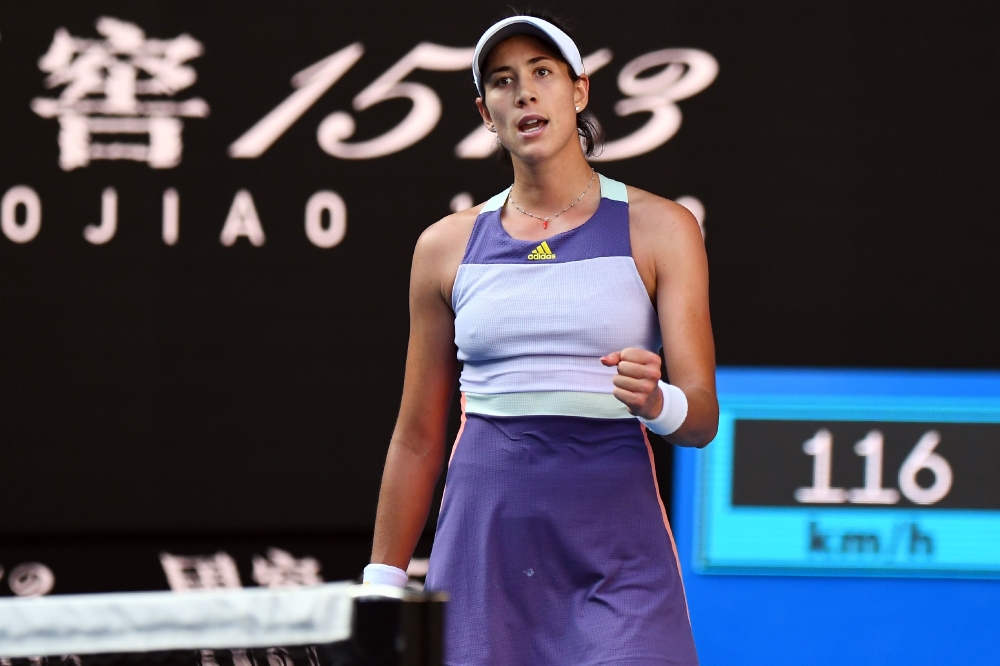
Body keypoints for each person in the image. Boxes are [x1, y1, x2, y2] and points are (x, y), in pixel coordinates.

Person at [363, 13, 718, 666]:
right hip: (484, 550)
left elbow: (701, 419)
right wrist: (382, 585)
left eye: (542, 72)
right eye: (502, 81)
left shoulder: (664, 227)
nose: (524, 92)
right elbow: (417, 436)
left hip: (616, 550)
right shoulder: (443, 247)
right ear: (485, 113)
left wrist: (658, 400)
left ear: (578, 91)